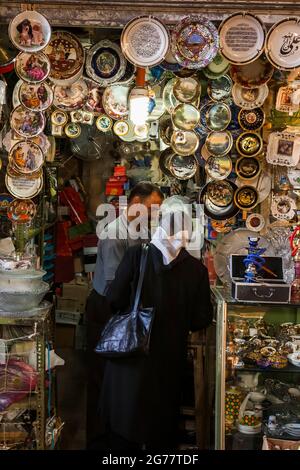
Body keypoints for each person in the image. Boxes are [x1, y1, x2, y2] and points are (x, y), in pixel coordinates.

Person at [100, 202, 213, 450]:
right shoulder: (197, 270)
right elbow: (201, 319)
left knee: (124, 421)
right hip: (168, 358)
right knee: (160, 425)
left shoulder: (136, 255)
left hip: (130, 353)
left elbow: (114, 299)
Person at [86, 182, 164, 450]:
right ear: (135, 202)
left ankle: (120, 432)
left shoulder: (141, 230)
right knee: (100, 374)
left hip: (126, 306)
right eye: (152, 207)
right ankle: (98, 439)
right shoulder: (114, 233)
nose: (154, 213)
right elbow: (112, 286)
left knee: (120, 374)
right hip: (105, 308)